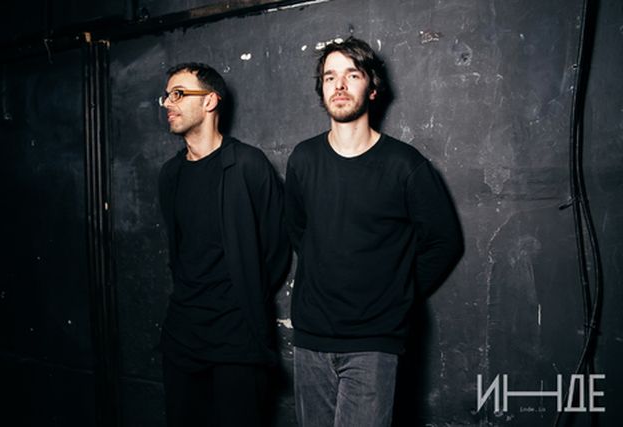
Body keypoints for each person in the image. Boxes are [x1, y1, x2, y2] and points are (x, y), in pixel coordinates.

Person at [285, 37, 464, 427]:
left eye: (352, 74)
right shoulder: (303, 158)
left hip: (373, 342)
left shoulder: (405, 165)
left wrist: (397, 292)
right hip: (311, 337)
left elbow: (445, 241)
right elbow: (298, 231)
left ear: (373, 88)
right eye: (329, 77)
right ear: (321, 90)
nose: (339, 85)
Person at [157, 62, 290, 427]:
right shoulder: (170, 174)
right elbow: (178, 250)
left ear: (210, 101)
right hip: (182, 337)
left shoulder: (247, 164)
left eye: (179, 94)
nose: (168, 103)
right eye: (166, 95)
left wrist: (245, 292)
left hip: (237, 340)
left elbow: (277, 247)